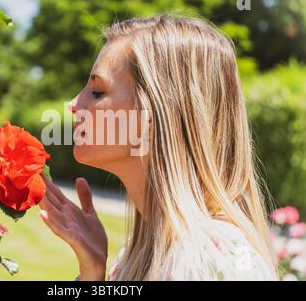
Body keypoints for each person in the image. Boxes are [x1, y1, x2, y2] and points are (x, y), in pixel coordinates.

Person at [38, 14, 278, 281]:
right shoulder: (139, 254)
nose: (73, 104)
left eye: (97, 91)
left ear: (152, 116)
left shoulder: (208, 259)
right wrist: (92, 273)